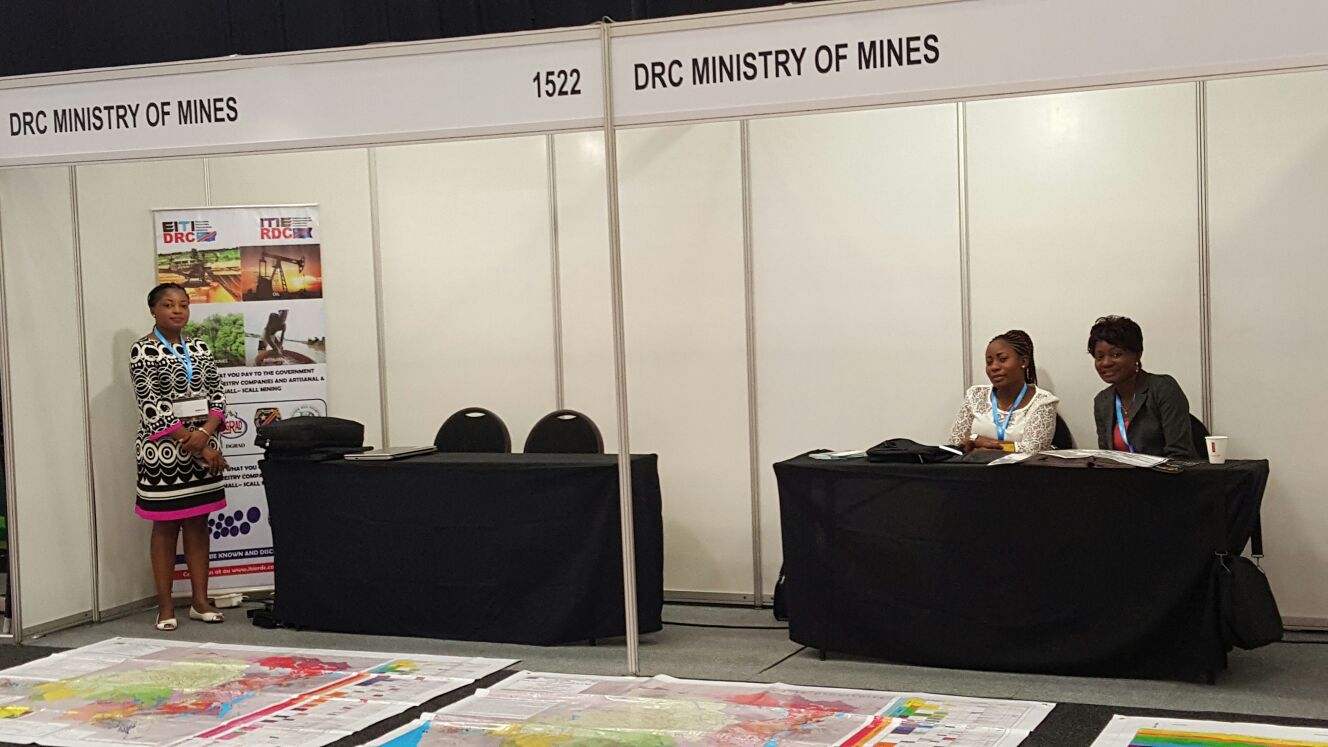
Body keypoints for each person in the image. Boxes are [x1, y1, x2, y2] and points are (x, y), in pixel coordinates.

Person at [131, 283, 229, 630]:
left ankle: (200, 602)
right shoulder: (142, 350)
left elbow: (217, 395)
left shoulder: (200, 347)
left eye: (184, 305)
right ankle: (166, 607)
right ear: (153, 310)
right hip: (164, 454)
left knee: (199, 524)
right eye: (169, 305)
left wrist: (206, 432)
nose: (177, 311)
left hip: (204, 447)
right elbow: (151, 406)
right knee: (166, 525)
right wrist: (197, 442)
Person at [1088, 315, 1198, 459]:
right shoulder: (1103, 401)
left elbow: (1180, 454)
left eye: (1116, 354)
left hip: (1168, 472)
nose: (1106, 363)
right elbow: (1106, 458)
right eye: (1099, 357)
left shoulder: (1163, 388)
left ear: (1137, 355)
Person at [950, 330, 1060, 453]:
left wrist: (977, 441)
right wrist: (979, 441)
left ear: (1023, 361)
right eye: (989, 362)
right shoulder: (975, 395)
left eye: (1002, 359)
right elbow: (955, 442)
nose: (994, 367)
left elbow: (1032, 449)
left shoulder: (1043, 402)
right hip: (973, 465)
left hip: (1021, 466)